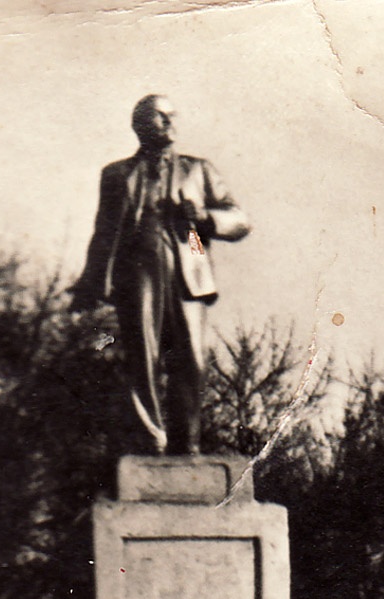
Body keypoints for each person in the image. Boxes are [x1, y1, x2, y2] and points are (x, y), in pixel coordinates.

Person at [71, 94, 251, 456]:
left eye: (172, 115)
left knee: (192, 358)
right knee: (142, 354)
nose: (170, 122)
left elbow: (239, 220)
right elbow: (104, 232)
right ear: (140, 124)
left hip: (190, 260)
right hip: (136, 267)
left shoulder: (197, 170)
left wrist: (204, 217)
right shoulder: (116, 174)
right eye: (160, 116)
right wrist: (89, 283)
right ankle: (150, 440)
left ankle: (187, 443)